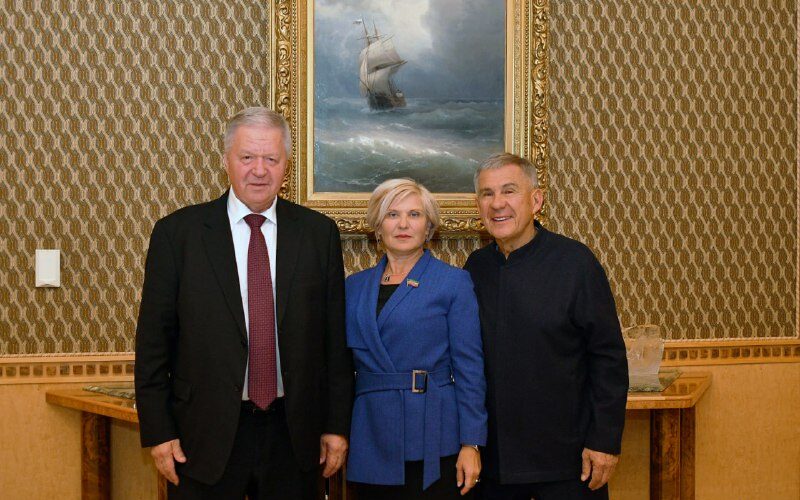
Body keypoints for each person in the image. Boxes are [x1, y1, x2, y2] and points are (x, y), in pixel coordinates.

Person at [134, 107, 354, 499]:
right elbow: (153, 344)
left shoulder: (318, 235)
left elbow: (334, 343)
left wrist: (336, 426)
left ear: (286, 165)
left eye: (271, 159)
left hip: (294, 436)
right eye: (247, 157)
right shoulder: (178, 235)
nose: (259, 170)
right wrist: (159, 431)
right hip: (203, 435)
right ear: (226, 160)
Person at [464, 153, 628, 500]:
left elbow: (608, 358)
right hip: (495, 464)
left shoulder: (576, 263)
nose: (497, 203)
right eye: (487, 194)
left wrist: (604, 441)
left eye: (509, 191)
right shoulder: (475, 267)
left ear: (536, 200)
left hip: (569, 462)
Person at [345, 178, 487, 499]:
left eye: (414, 215)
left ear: (429, 226)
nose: (403, 224)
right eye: (392, 214)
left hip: (433, 433)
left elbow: (470, 369)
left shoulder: (453, 282)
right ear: (377, 225)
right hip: (370, 434)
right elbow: (338, 369)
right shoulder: (353, 287)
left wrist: (471, 442)